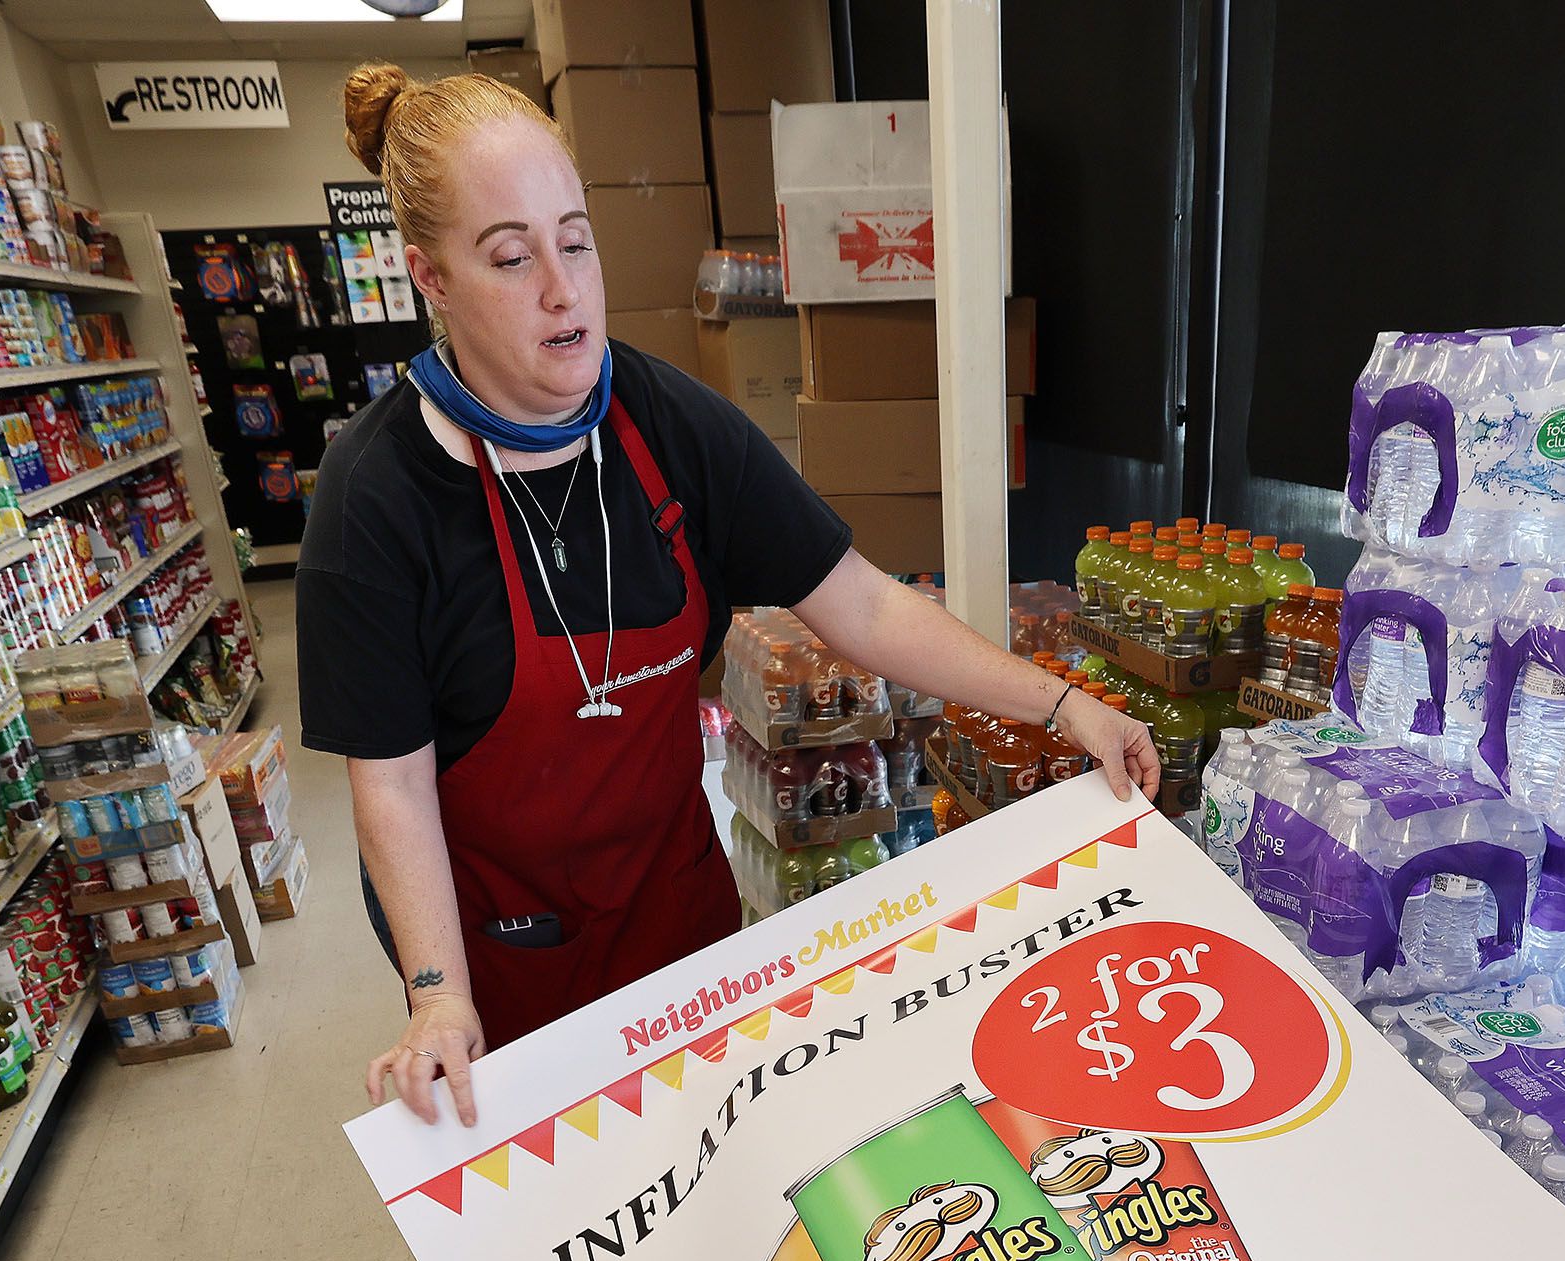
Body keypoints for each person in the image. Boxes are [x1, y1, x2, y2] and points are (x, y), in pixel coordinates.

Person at [303, 66, 1155, 1129]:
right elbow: (390, 786)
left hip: (680, 921)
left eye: (576, 241)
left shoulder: (669, 427)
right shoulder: (375, 500)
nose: (563, 291)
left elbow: (867, 608)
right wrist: (436, 998)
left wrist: (1067, 706)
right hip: (501, 965)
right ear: (431, 279)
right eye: (512, 258)